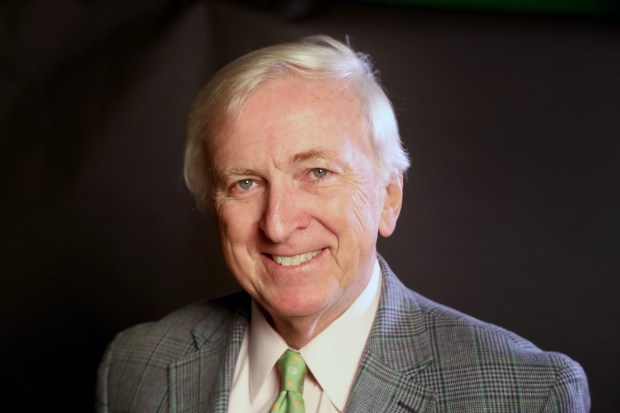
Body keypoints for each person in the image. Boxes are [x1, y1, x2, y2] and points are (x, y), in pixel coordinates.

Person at [96, 35, 590, 413]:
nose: (278, 224)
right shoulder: (136, 366)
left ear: (388, 199)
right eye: (245, 183)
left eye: (317, 173)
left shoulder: (528, 394)